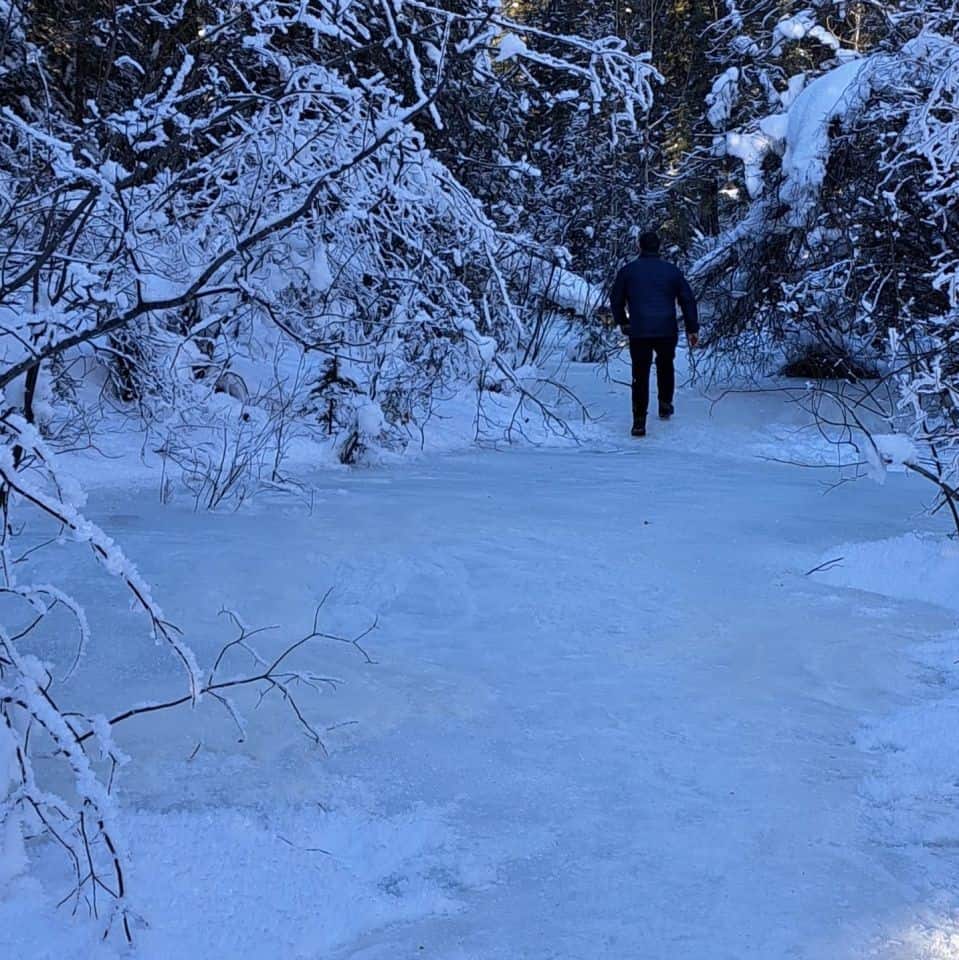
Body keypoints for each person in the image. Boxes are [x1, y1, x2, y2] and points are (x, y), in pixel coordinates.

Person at [610, 231, 699, 437]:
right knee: (665, 365)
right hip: (666, 328)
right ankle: (665, 403)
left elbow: (616, 300)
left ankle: (639, 421)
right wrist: (692, 327)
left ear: (639, 246)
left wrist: (623, 321)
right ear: (659, 247)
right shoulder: (671, 271)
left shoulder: (628, 271)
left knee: (639, 374)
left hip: (639, 329)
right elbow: (687, 299)